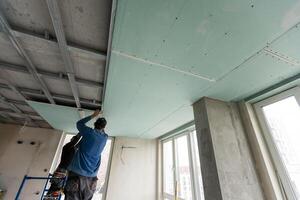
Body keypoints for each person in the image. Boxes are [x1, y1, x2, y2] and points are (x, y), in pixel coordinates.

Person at [64, 110, 108, 200]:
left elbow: (79, 123)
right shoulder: (105, 137)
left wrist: (93, 115)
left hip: (77, 173)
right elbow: (103, 131)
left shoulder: (88, 132)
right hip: (91, 177)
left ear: (95, 124)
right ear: (104, 127)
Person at [44, 134, 82, 199]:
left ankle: (50, 198)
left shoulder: (70, 148)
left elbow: (77, 144)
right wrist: (81, 134)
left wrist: (83, 135)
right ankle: (50, 198)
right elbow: (76, 143)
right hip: (62, 170)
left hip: (62, 170)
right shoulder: (68, 147)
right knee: (55, 188)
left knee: (55, 188)